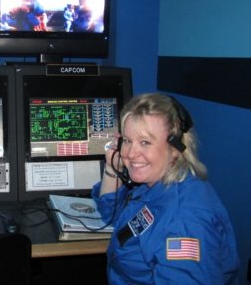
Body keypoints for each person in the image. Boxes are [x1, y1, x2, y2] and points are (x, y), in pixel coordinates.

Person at [92, 93, 239, 284]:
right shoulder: (157, 186)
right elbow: (111, 213)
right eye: (127, 140)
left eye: (145, 142)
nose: (130, 153)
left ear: (175, 148)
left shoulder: (184, 221)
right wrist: (113, 168)